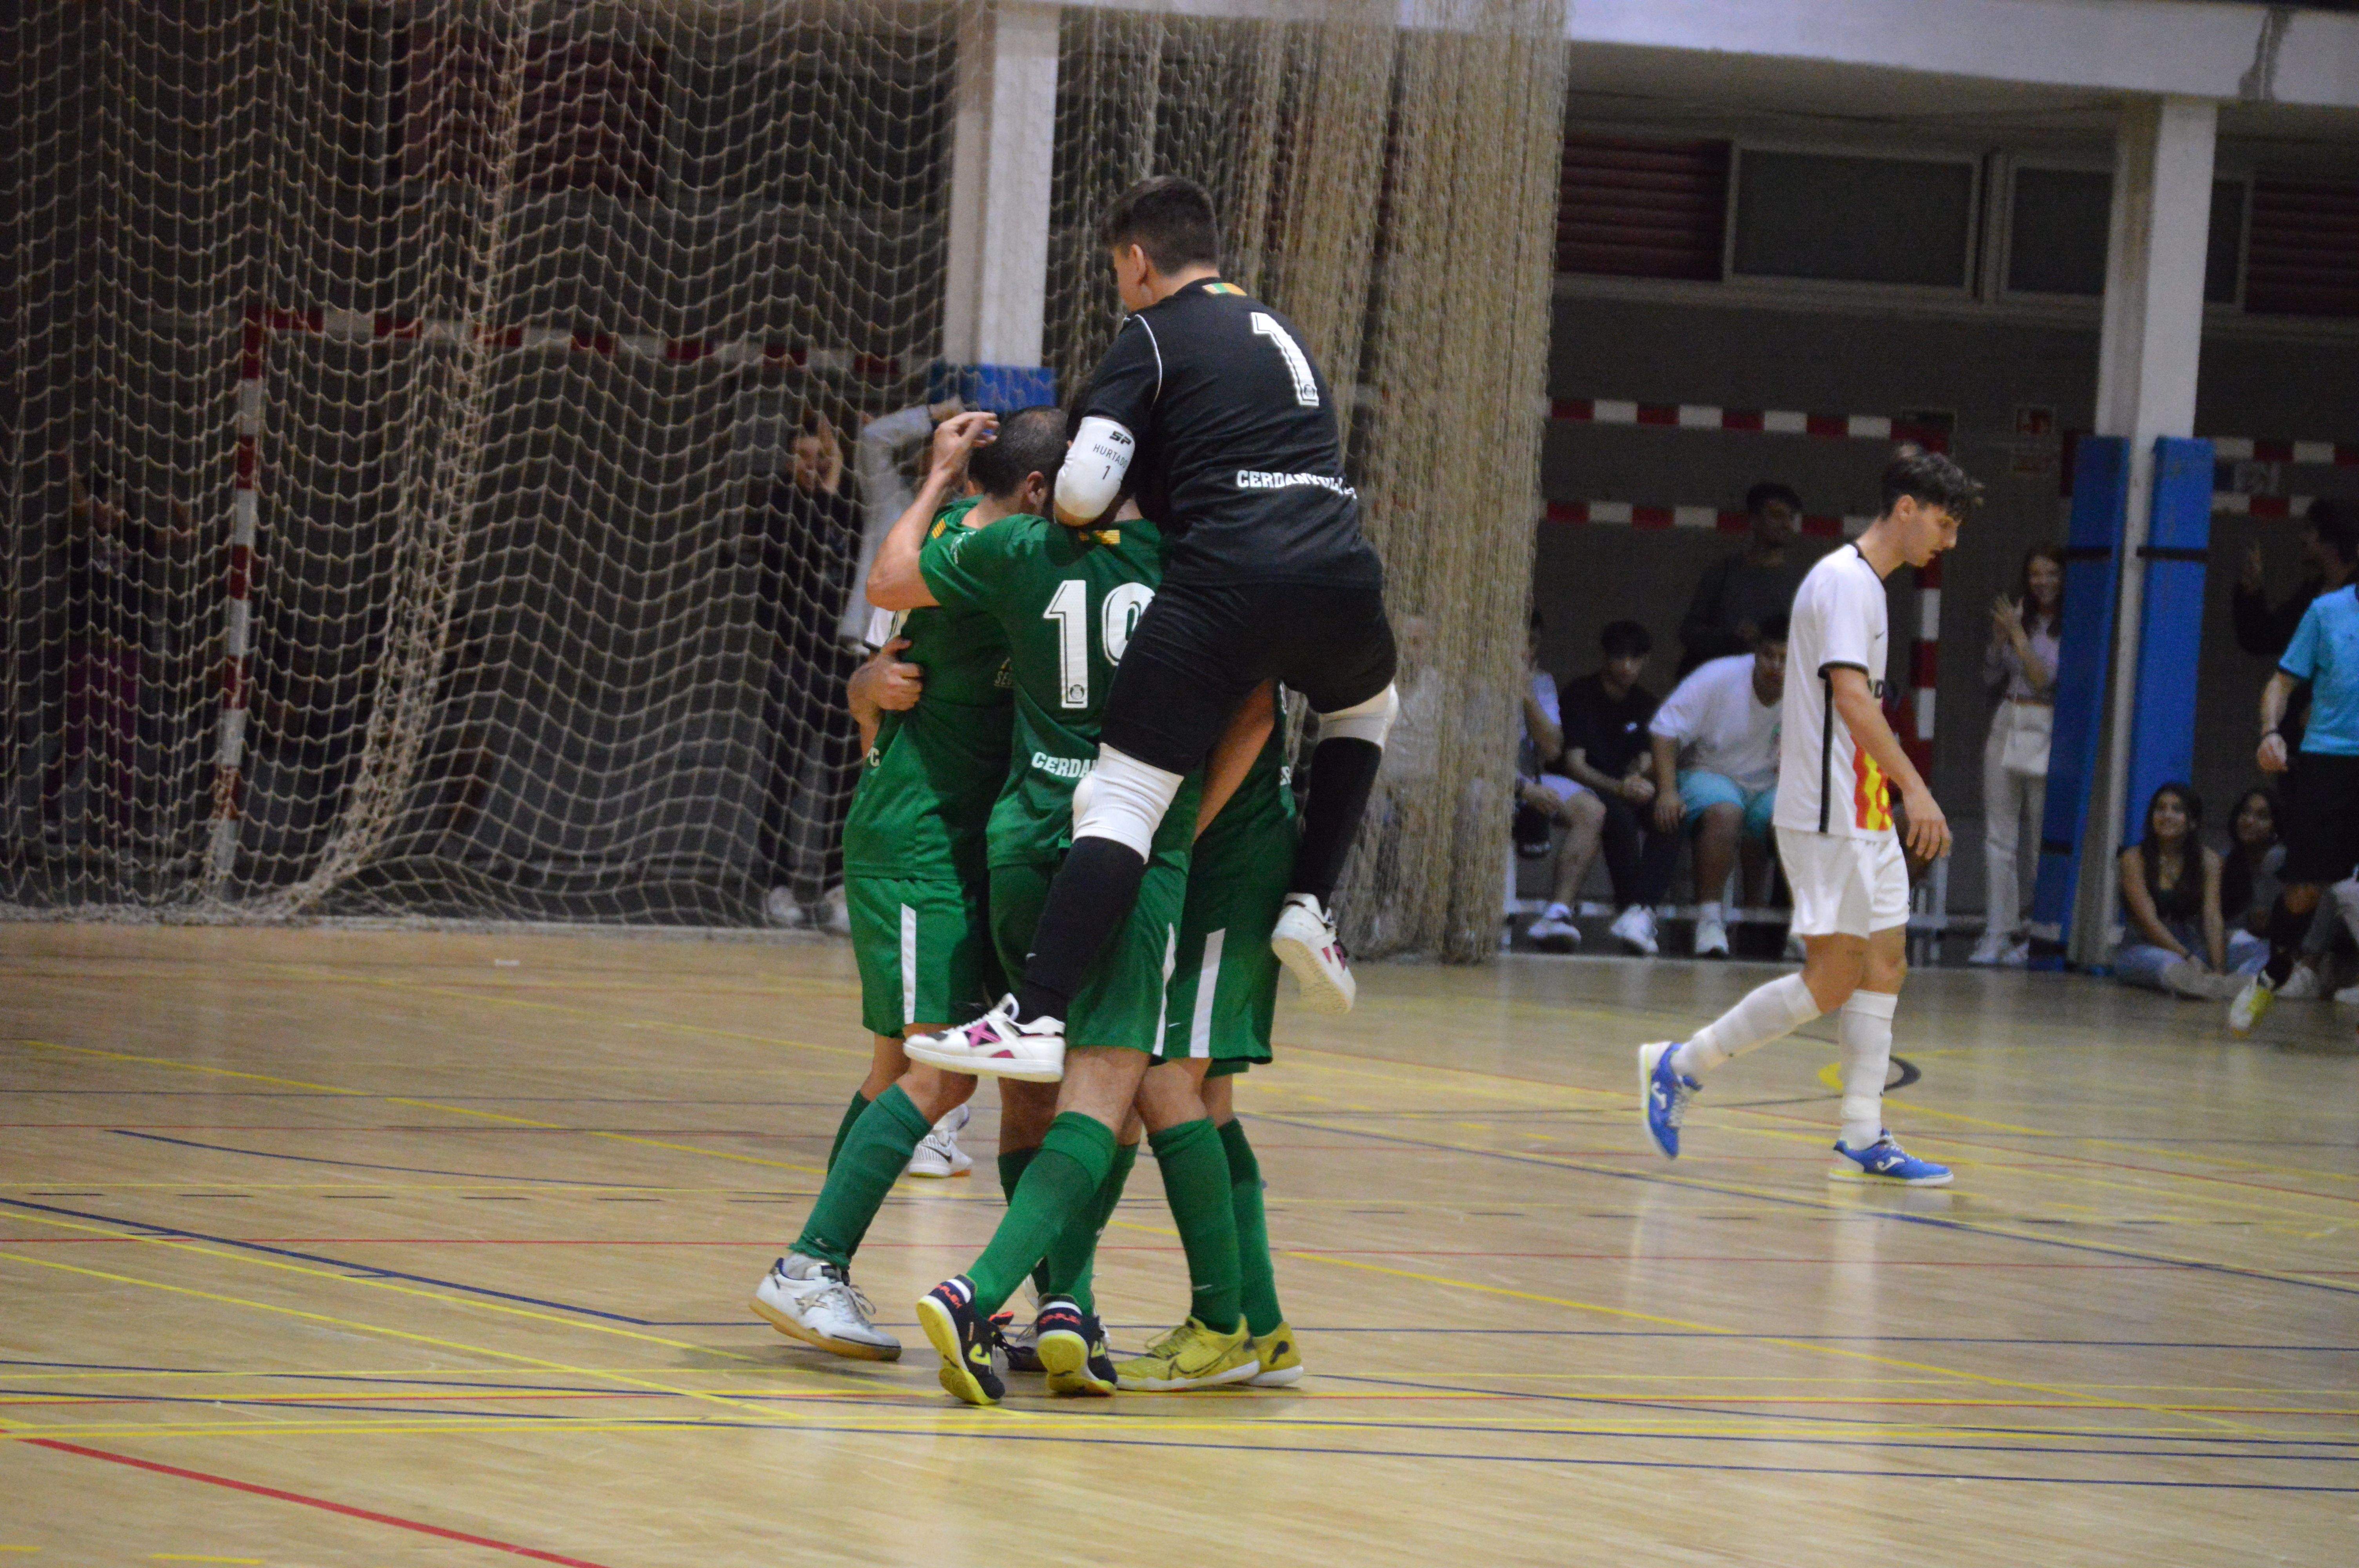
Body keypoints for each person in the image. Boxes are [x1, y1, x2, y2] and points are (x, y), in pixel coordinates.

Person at [910, 174, 1398, 1080]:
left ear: (1136, 263)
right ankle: (1311, 902)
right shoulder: (1282, 330)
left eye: (1115, 272)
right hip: (1342, 574)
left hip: (1230, 583)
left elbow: (1085, 493)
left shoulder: (1151, 332)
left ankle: (1036, 1014)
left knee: (1122, 800)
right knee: (1365, 707)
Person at [874, 408, 1276, 1406]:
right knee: (1110, 1086)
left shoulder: (1019, 543)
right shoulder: (1198, 568)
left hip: (1023, 842)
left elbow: (892, 583)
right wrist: (1178, 826)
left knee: (1031, 1086)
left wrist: (939, 478)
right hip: (1135, 848)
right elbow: (1253, 714)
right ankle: (985, 1294)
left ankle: (1068, 1309)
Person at [748, 410, 1054, 1361]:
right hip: (917, 840)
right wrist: (935, 476)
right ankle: (809, 1266)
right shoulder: (989, 544)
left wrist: (866, 688)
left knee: (906, 1073)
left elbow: (890, 656)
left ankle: (835, 1271)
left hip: (960, 842)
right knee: (936, 1072)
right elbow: (884, 590)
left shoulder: (1008, 547)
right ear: (1041, 491)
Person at [1640, 448, 1981, 1187]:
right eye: (1944, 524)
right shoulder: (1841, 583)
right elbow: (1854, 702)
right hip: (1827, 815)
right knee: (1832, 980)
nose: (1947, 543)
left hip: (1862, 808)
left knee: (1887, 965)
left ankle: (1864, 1133)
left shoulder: (1867, 587)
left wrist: (1893, 798)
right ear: (1905, 510)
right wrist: (1917, 789)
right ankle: (1681, 1064)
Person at [1127, 681, 1303, 1390]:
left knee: (1163, 1082)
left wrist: (1178, 832)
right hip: (1215, 857)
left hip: (1229, 858)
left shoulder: (1223, 574)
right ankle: (1264, 1327)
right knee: (1210, 1099)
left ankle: (1219, 1326)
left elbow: (1255, 706)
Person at [2232, 503, 2359, 1038]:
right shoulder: (2327, 611)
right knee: (2305, 890)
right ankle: (2276, 969)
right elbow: (2281, 683)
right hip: (2327, 762)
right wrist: (2271, 733)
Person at [754, 411, 864, 928]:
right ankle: (775, 885)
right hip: (793, 658)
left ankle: (834, 886)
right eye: (802, 457)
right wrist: (826, 491)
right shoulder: (773, 505)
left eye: (821, 457)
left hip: (841, 660)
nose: (811, 466)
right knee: (786, 777)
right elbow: (804, 551)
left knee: (843, 780)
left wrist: (836, 484)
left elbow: (844, 555)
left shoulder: (849, 506)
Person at [1647, 617, 1788, 957]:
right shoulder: (1718, 676)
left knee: (1804, 817)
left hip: (1769, 785)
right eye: (1769, 656)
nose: (1777, 666)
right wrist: (1667, 791)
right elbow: (1666, 730)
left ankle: (1802, 927)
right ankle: (1709, 920)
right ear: (1756, 654)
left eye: (1786, 658)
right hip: (1710, 772)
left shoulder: (1813, 690)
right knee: (1726, 812)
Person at [1548, 620, 1680, 955]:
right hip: (1585, 785)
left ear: (1646, 661)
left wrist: (1642, 781)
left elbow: (1646, 758)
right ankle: (1631, 910)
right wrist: (1621, 788)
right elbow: (1574, 765)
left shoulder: (1645, 703)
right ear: (1605, 657)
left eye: (1635, 659)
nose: (1627, 667)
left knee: (1670, 814)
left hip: (1623, 784)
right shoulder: (1580, 695)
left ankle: (1640, 911)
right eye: (1620, 658)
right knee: (1616, 816)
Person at [1972, 544, 2064, 965]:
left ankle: (2035, 930)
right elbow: (1990, 676)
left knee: (2039, 836)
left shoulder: (2071, 623)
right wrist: (1998, 641)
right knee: (1998, 836)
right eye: (2034, 574)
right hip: (2007, 719)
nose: (2041, 582)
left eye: (2050, 574)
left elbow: (2044, 680)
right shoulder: (2016, 620)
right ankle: (1997, 930)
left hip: (2046, 724)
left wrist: (2018, 637)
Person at [2113, 784, 2244, 997]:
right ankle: (2194, 984)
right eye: (2161, 809)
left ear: (2192, 822)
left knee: (2246, 951)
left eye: (2177, 810)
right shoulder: (2134, 859)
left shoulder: (2209, 860)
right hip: (2143, 946)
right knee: (2169, 964)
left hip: (2192, 942)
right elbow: (2148, 921)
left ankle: (2224, 986)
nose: (2167, 815)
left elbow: (2212, 917)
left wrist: (2219, 970)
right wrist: (2187, 957)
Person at [1515, 613, 1595, 948]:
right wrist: (1523, 788)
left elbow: (1551, 749)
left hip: (1532, 771)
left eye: (1531, 644)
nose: (1524, 651)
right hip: (1489, 778)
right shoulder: (1472, 676)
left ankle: (1557, 913)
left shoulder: (1542, 681)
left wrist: (1526, 695)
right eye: (1518, 642)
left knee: (1592, 810)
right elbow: (1475, 756)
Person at [1677, 482, 1809, 675]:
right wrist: (1731, 639)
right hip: (1723, 683)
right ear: (1754, 520)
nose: (1786, 525)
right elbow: (1689, 632)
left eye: (1790, 517)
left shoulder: (1802, 584)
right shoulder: (1723, 574)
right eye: (1776, 516)